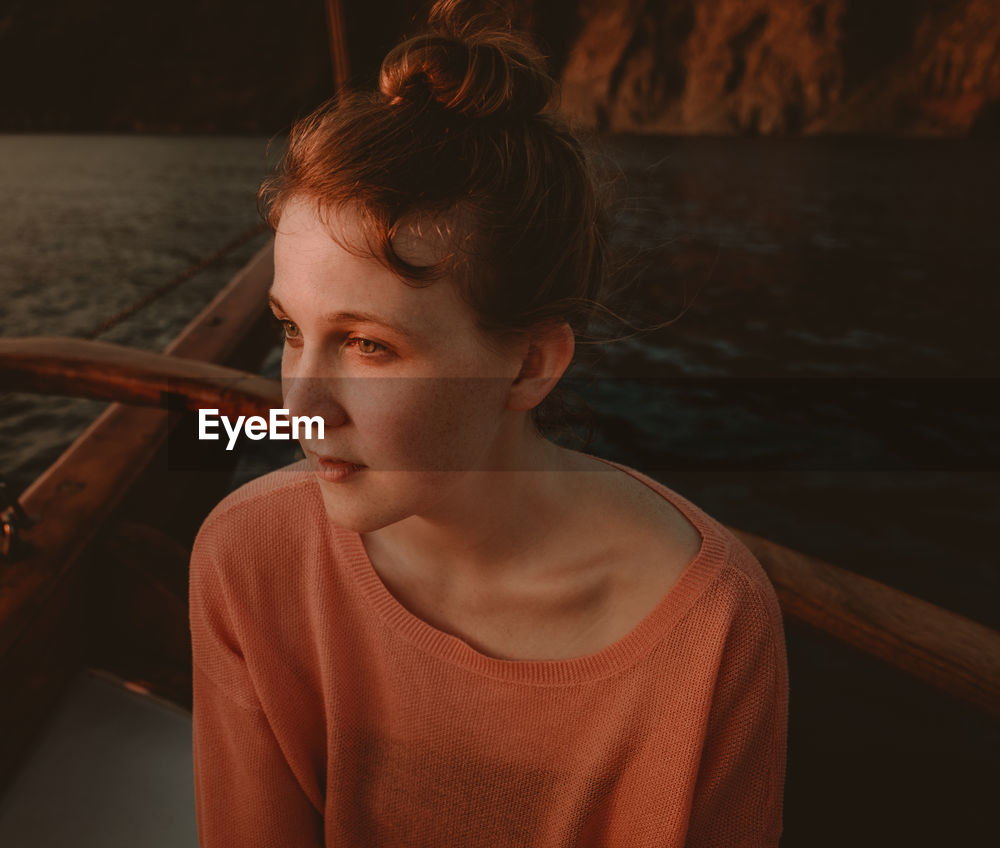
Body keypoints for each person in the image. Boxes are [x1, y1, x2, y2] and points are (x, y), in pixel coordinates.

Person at [188, 2, 788, 845]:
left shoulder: (708, 627)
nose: (300, 404)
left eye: (367, 344)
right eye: (292, 332)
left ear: (530, 363)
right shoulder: (249, 557)